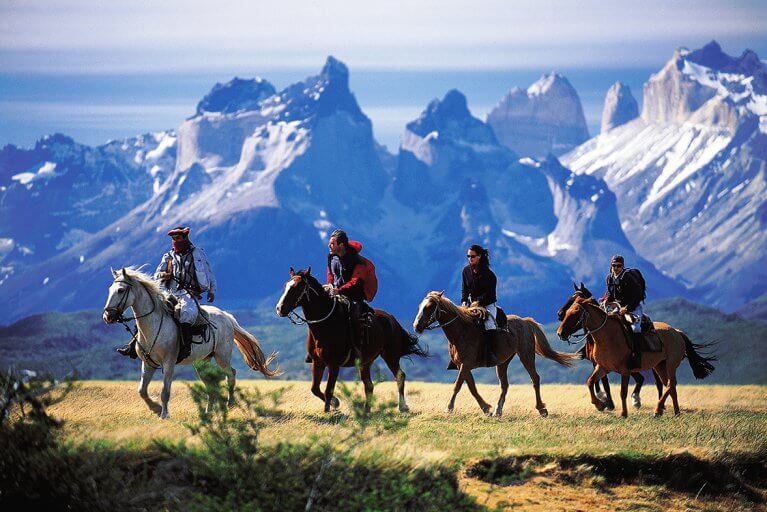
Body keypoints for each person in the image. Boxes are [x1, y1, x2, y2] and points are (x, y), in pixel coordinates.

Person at [116, 226, 216, 361]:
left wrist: (211, 290)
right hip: (170, 292)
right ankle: (133, 345)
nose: (175, 241)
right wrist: (164, 274)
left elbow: (208, 272)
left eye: (178, 238)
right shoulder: (168, 256)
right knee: (149, 312)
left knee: (186, 314)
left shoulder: (198, 254)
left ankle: (185, 348)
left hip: (189, 294)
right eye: (173, 239)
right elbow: (157, 275)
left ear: (185, 238)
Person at [324, 229, 375, 361]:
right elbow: (331, 274)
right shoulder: (332, 257)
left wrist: (339, 290)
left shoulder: (358, 262)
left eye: (332, 243)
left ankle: (357, 348)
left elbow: (356, 282)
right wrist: (330, 285)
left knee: (353, 316)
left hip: (354, 296)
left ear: (341, 245)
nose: (329, 246)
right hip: (335, 293)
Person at [457, 244, 500, 368]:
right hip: (471, 305)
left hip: (488, 305)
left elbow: (490, 294)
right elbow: (464, 289)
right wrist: (464, 301)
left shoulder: (489, 275)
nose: (470, 259)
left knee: (489, 324)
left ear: (480, 256)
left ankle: (491, 354)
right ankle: (457, 356)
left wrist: (479, 302)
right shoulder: (465, 271)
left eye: (472, 256)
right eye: (468, 256)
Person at [601, 254, 646, 369]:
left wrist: (627, 308)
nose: (616, 268)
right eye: (613, 265)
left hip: (634, 307)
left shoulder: (628, 277)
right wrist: (606, 302)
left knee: (636, 329)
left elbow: (639, 295)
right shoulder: (609, 278)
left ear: (622, 266)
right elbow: (611, 295)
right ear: (611, 266)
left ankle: (637, 356)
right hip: (618, 307)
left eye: (618, 266)